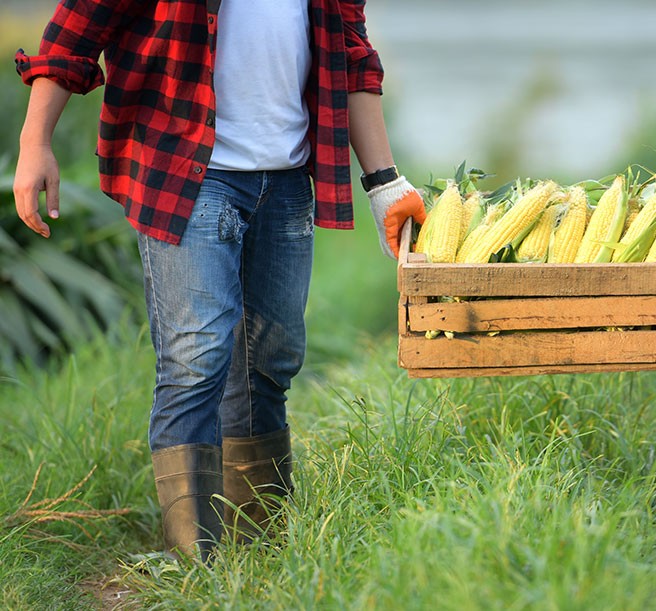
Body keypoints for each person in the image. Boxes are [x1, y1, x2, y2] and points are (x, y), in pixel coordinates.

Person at [13, 0, 426, 561]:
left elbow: (352, 59)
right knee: (198, 354)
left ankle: (260, 549)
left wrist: (383, 185)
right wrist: (34, 143)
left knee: (271, 356)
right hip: (188, 173)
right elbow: (77, 27)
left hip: (284, 180)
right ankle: (194, 562)